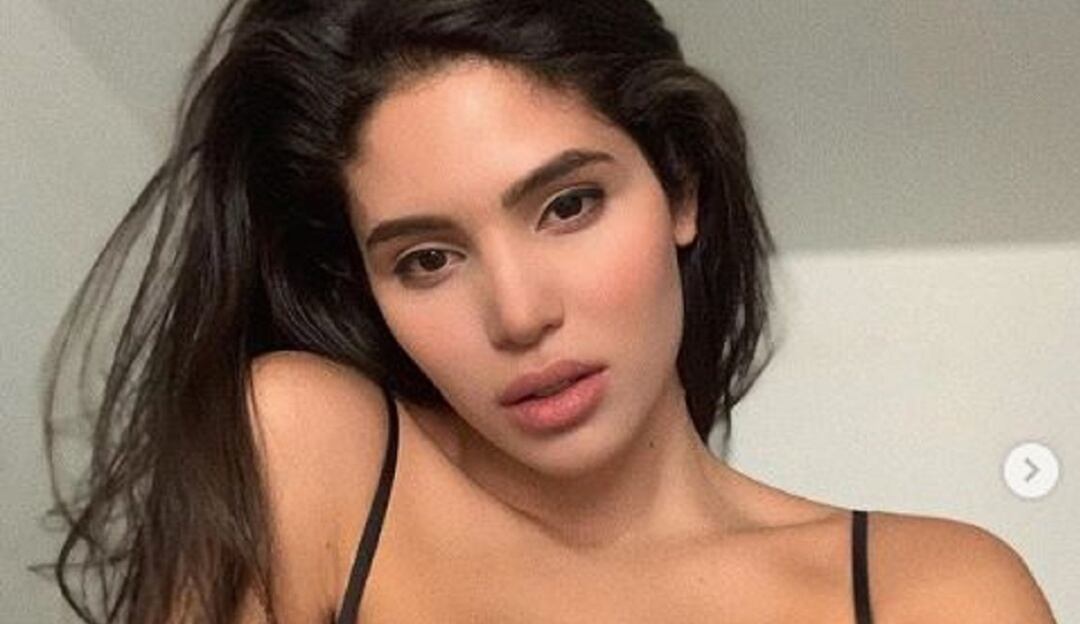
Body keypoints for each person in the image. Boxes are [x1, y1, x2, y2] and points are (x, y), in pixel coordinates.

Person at [43, 1, 1056, 622]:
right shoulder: (322, 459)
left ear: (682, 186)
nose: (519, 314)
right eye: (428, 259)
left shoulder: (932, 593)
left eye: (568, 206)